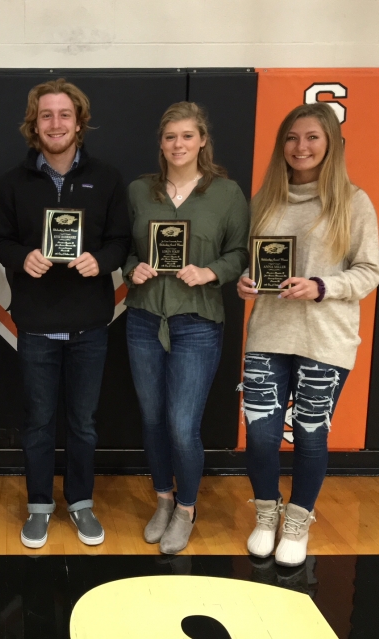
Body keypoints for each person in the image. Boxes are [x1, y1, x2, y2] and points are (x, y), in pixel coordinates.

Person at [238, 102, 379, 566]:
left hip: (325, 338)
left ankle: (297, 521)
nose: (301, 147)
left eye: (312, 138)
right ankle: (265, 514)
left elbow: (369, 272)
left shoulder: (353, 201)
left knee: (309, 435)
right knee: (260, 435)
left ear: (331, 145)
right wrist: (246, 280)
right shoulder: (265, 199)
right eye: (293, 138)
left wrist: (322, 286)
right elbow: (255, 262)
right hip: (267, 332)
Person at [0, 78, 130, 549]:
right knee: (37, 421)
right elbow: (2, 241)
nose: (56, 123)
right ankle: (38, 506)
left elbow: (120, 240)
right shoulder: (13, 182)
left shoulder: (108, 178)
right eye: (46, 115)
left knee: (83, 423)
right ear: (35, 123)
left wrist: (104, 261)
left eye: (64, 115)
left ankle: (80, 502)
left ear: (79, 122)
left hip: (90, 322)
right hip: (35, 324)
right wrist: (20, 257)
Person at [123, 102, 249, 554]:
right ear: (161, 142)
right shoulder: (140, 191)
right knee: (153, 419)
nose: (179, 144)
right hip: (143, 319)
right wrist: (131, 268)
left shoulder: (227, 193)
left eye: (187, 136)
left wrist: (210, 272)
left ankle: (186, 508)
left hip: (197, 321)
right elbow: (123, 248)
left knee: (181, 424)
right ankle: (162, 498)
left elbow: (239, 252)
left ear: (202, 141)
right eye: (170, 136)